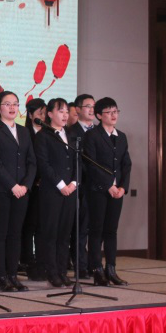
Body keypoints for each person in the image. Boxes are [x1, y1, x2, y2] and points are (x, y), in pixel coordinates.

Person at [0, 91, 36, 292]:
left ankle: (13, 275)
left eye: (15, 104)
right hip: (1, 191)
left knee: (15, 234)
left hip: (22, 191)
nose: (12, 107)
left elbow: (31, 162)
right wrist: (12, 185)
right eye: (7, 104)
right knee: (0, 235)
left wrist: (25, 185)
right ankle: (1, 277)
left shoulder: (24, 131)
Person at [84, 97, 131, 286]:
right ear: (98, 115)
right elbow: (90, 164)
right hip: (98, 190)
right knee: (96, 230)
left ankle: (111, 269)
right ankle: (97, 270)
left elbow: (126, 164)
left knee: (111, 230)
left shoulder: (122, 136)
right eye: (109, 112)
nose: (113, 115)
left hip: (117, 191)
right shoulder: (92, 135)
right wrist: (108, 185)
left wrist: (122, 187)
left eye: (115, 111)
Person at [34, 98, 78, 288]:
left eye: (67, 111)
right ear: (50, 114)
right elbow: (43, 164)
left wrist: (74, 183)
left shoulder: (72, 136)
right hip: (52, 191)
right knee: (50, 233)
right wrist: (61, 185)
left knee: (64, 234)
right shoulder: (43, 136)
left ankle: (62, 271)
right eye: (61, 111)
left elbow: (78, 162)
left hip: (71, 191)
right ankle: (51, 272)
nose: (65, 115)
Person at [68, 94, 96, 279]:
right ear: (78, 110)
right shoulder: (71, 132)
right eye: (88, 106)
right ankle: (81, 265)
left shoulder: (99, 131)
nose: (92, 110)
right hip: (81, 185)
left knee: (96, 228)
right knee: (80, 229)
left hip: (98, 187)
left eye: (93, 106)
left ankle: (95, 265)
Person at [20, 98, 47, 281]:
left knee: (41, 225)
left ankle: (41, 261)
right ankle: (27, 260)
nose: (42, 117)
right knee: (28, 225)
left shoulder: (49, 133)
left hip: (46, 186)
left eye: (45, 113)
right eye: (39, 113)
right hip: (29, 185)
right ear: (30, 115)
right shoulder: (25, 133)